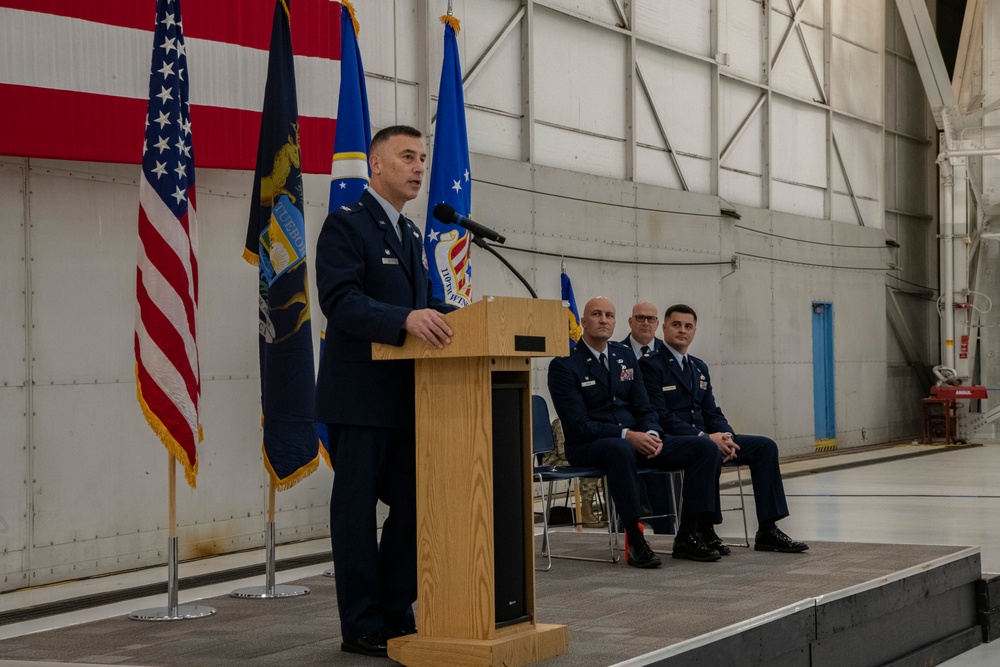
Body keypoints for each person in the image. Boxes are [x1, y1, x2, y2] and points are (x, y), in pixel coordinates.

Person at [315, 125, 455, 658]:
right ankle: (361, 624)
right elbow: (341, 301)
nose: (419, 167)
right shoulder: (346, 226)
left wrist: (470, 317)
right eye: (407, 157)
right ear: (376, 164)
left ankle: (397, 609)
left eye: (422, 158)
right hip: (359, 398)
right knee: (354, 515)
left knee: (418, 506)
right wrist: (405, 318)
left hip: (408, 399)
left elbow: (425, 306)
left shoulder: (414, 235)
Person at [547, 296, 724, 567]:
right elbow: (579, 425)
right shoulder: (564, 364)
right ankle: (635, 538)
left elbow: (645, 408)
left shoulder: (624, 356)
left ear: (615, 322)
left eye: (609, 315)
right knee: (620, 448)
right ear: (583, 322)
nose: (603, 320)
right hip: (590, 446)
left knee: (704, 448)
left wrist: (652, 433)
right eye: (596, 314)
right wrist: (628, 435)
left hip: (635, 441)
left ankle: (688, 534)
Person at [640, 303, 808, 554]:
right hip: (676, 441)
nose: (682, 331)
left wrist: (726, 436)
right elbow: (661, 416)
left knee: (765, 447)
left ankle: (768, 530)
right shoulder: (650, 365)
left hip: (708, 438)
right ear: (663, 328)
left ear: (695, 330)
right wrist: (707, 436)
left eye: (688, 326)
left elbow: (712, 411)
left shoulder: (698, 367)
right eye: (676, 325)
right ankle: (695, 531)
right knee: (705, 447)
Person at [620, 301, 674, 534]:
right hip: (626, 431)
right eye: (640, 318)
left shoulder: (669, 352)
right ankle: (629, 536)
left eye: (651, 319)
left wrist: (654, 431)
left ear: (658, 325)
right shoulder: (614, 352)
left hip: (661, 427)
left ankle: (667, 534)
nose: (645, 323)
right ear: (630, 321)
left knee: (663, 484)